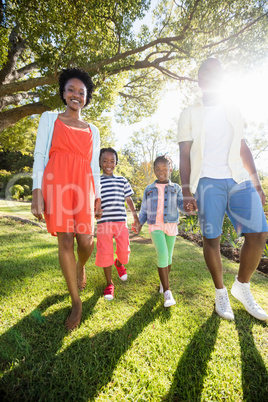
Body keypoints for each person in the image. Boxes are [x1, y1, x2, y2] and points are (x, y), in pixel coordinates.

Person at [178, 57, 268, 320]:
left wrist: (256, 182)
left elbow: (242, 146)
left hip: (238, 179)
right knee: (212, 239)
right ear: (199, 79)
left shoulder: (233, 108)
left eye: (217, 73)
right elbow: (184, 153)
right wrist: (186, 189)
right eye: (205, 72)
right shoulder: (189, 112)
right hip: (207, 181)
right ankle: (220, 292)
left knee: (259, 233)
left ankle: (242, 285)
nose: (211, 77)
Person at [31, 67, 102, 331]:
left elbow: (94, 166)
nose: (75, 95)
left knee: (86, 240)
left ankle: (80, 265)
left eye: (81, 92)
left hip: (84, 186)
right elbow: (40, 155)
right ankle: (76, 301)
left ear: (86, 98)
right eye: (70, 90)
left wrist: (99, 197)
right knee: (65, 240)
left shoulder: (93, 129)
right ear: (63, 93)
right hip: (56, 182)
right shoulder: (50, 119)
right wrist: (37, 191)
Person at [136, 155, 185, 307]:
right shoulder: (149, 189)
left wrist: (192, 206)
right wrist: (139, 222)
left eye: (164, 168)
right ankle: (167, 292)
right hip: (155, 225)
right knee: (162, 254)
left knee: (169, 257)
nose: (161, 171)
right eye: (158, 169)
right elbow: (144, 208)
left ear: (170, 169)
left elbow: (182, 205)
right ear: (154, 170)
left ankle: (163, 283)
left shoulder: (176, 188)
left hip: (171, 225)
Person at [95, 147, 140, 300]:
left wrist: (136, 218)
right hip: (104, 224)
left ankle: (119, 264)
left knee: (124, 253)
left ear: (116, 163)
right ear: (100, 162)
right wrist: (95, 212)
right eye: (105, 161)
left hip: (121, 223)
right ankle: (109, 283)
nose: (109, 164)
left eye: (112, 161)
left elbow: (129, 200)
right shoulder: (96, 182)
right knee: (105, 252)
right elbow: (93, 203)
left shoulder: (122, 180)